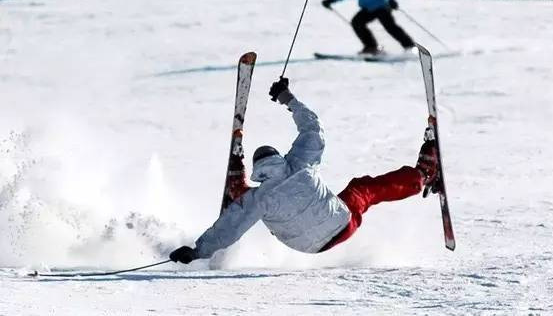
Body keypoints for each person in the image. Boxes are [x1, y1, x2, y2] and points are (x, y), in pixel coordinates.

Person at [169, 78, 440, 264]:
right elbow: (312, 128)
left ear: (259, 171)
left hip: (306, 248)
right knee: (363, 189)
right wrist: (288, 98)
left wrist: (197, 252)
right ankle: (424, 175)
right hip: (341, 225)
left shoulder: (259, 197)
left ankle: (237, 184)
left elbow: (230, 228)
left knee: (247, 208)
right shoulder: (298, 163)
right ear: (278, 157)